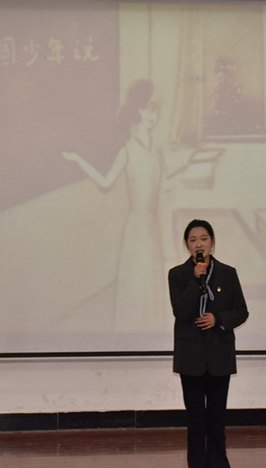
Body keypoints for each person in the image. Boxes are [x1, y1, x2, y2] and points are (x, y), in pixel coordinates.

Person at [62, 80, 165, 332]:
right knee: (136, 282)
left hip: (152, 225)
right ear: (137, 111)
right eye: (148, 109)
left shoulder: (156, 149)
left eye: (155, 109)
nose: (153, 115)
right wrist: (78, 160)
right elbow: (106, 183)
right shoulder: (128, 150)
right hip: (137, 226)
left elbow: (163, 182)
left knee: (153, 281)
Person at [168, 219, 249, 468]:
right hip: (190, 358)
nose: (198, 244)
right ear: (186, 245)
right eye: (192, 240)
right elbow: (181, 311)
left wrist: (219, 319)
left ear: (212, 242)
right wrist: (195, 280)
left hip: (219, 357)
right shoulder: (178, 274)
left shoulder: (228, 273)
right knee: (195, 422)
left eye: (203, 238)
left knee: (216, 421)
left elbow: (241, 311)